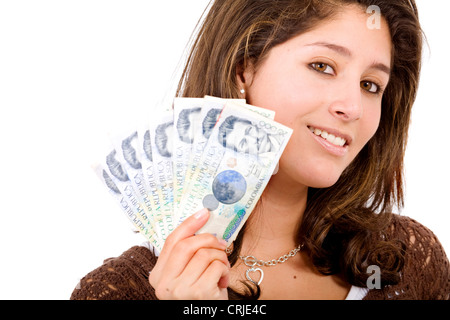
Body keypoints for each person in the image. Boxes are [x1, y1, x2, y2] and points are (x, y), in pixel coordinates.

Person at [72, 0, 449, 300]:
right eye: (323, 66)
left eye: (371, 85)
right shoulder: (122, 292)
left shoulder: (408, 261)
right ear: (243, 69)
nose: (352, 107)